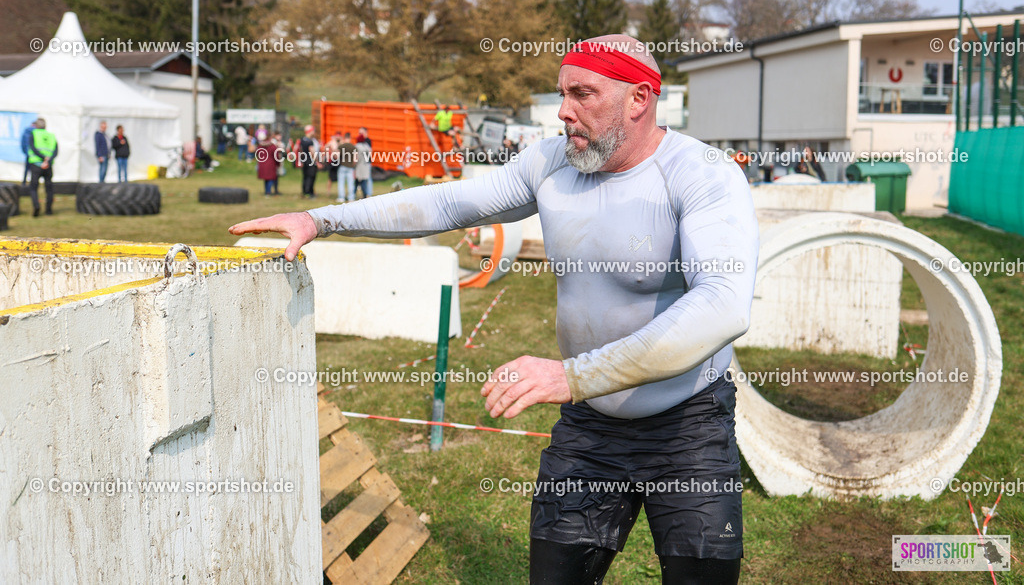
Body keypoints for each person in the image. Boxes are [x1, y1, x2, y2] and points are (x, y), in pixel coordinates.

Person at [229, 34, 758, 585]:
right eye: (561, 92)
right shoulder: (553, 163)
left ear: (639, 99)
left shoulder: (702, 174)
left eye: (583, 93)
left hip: (687, 427)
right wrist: (322, 220)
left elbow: (722, 304)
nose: (563, 111)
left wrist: (573, 374)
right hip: (591, 422)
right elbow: (448, 202)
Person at [27, 117, 58, 217]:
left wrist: (43, 158)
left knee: (33, 188)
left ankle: (36, 205)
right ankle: (49, 210)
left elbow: (33, 148)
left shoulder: (34, 134)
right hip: (48, 165)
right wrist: (47, 159)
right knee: (49, 188)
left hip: (36, 164)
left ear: (36, 125)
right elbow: (56, 150)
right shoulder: (51, 135)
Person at [256, 128, 279, 196]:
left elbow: (257, 153)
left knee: (266, 179)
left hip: (262, 164)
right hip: (271, 164)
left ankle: (266, 191)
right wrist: (278, 164)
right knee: (271, 178)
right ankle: (268, 192)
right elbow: (276, 156)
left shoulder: (260, 145)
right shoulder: (272, 146)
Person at [298, 125, 320, 198]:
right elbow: (312, 152)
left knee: (305, 177)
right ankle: (310, 193)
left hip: (304, 160)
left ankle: (304, 192)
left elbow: (300, 151)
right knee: (311, 177)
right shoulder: (310, 141)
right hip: (311, 161)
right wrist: (317, 162)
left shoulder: (302, 140)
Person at [336, 132, 357, 203]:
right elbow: (355, 159)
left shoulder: (341, 146)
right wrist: (353, 166)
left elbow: (337, 156)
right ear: (350, 138)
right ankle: (351, 197)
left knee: (341, 183)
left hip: (342, 166)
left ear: (344, 138)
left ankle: (341, 197)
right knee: (350, 183)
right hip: (350, 167)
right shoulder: (353, 147)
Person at [353, 128, 373, 199]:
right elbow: (370, 154)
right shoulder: (367, 146)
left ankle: (354, 194)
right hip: (366, 165)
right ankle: (367, 194)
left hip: (360, 166)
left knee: (358, 181)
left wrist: (353, 165)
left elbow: (356, 157)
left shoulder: (357, 146)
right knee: (365, 180)